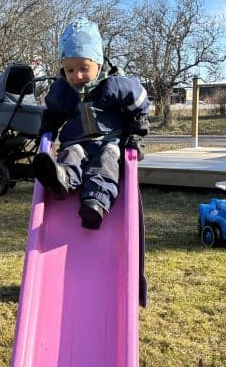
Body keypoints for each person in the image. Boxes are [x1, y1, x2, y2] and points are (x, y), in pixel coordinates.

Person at [33, 18, 149, 229]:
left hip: (109, 142)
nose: (77, 76)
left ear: (98, 62)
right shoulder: (64, 91)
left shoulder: (113, 85)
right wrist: (46, 133)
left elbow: (139, 101)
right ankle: (62, 180)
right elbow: (53, 115)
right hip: (76, 141)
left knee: (107, 161)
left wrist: (136, 132)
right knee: (71, 153)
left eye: (84, 68)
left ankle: (95, 202)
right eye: (69, 70)